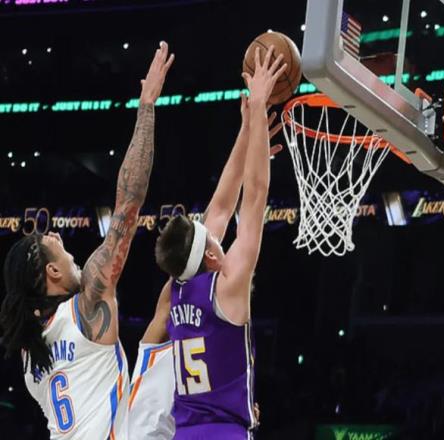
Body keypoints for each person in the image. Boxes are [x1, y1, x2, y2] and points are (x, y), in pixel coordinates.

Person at [0, 42, 174, 439]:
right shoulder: (86, 307)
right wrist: (146, 106)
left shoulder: (30, 352)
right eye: (57, 244)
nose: (61, 238)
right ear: (52, 271)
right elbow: (128, 204)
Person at [128, 75, 282, 439]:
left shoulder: (174, 292)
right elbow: (255, 195)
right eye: (213, 237)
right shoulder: (228, 288)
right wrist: (259, 106)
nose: (216, 230)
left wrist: (248, 131)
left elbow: (223, 206)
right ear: (211, 255)